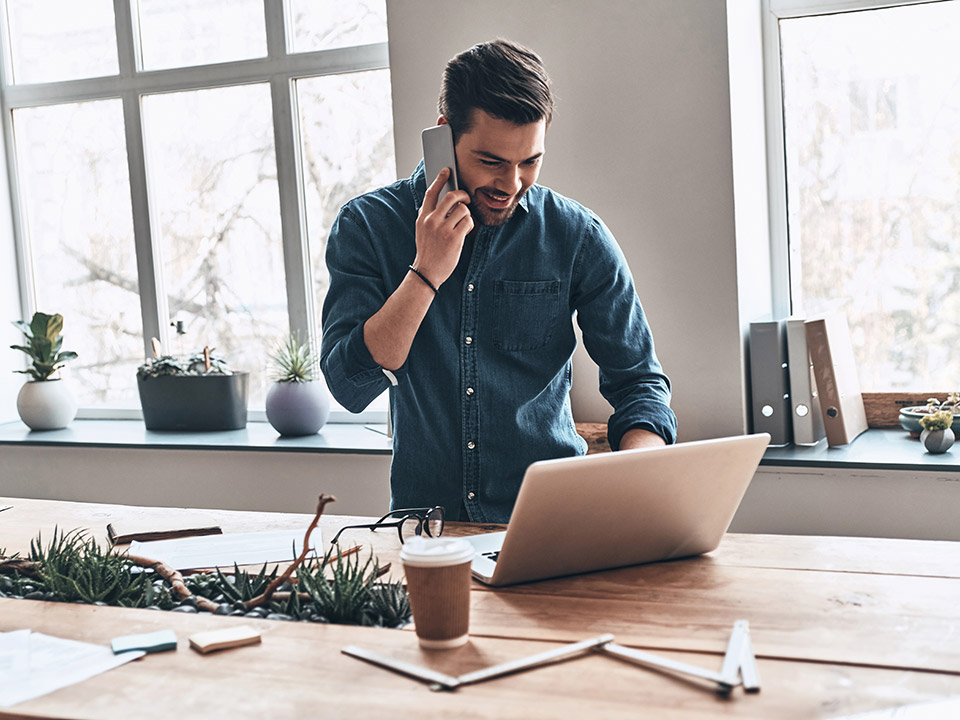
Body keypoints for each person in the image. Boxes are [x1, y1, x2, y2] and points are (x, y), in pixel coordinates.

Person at [321, 39, 677, 524]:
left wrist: (637, 468)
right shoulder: (368, 226)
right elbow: (349, 386)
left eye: (530, 161)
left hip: (550, 525)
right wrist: (426, 273)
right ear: (444, 135)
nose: (510, 185)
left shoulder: (578, 237)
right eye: (491, 161)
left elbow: (639, 383)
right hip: (427, 533)